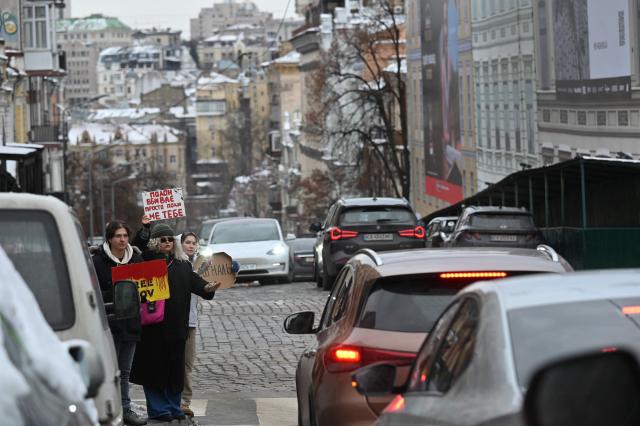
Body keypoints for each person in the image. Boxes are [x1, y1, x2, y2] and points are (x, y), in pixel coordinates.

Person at [130, 222, 219, 424]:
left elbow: (197, 284)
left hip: (177, 327)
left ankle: (173, 406)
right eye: (163, 239)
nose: (168, 242)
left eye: (170, 239)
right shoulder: (145, 260)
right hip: (152, 328)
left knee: (174, 370)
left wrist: (208, 288)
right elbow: (137, 245)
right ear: (155, 242)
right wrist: (144, 230)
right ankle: (158, 408)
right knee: (154, 369)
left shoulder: (182, 265)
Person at [91, 221, 147, 426]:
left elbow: (148, 289)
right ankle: (107, 409)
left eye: (125, 236)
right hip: (108, 323)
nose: (122, 240)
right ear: (109, 239)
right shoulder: (98, 262)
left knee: (124, 371)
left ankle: (124, 408)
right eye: (118, 236)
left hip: (131, 324)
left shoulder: (137, 259)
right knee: (109, 369)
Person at [179, 232, 200, 418]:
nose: (191, 245)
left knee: (187, 364)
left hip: (191, 321)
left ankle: (185, 401)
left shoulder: (198, 266)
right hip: (175, 320)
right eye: (187, 242)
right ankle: (175, 400)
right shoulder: (178, 263)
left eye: (194, 243)